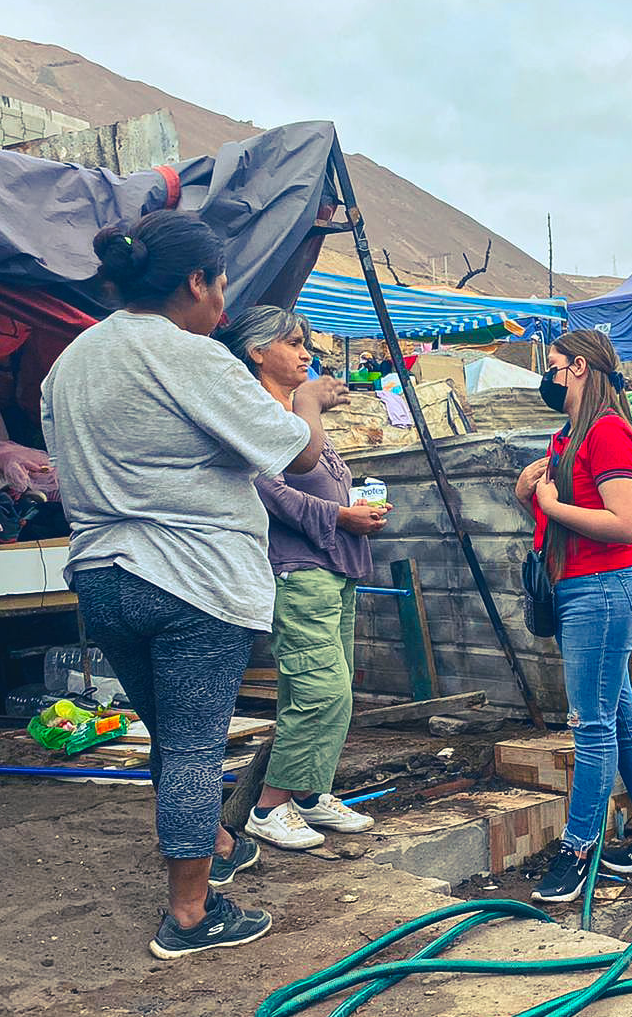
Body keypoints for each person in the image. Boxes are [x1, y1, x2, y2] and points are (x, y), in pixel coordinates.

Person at [41, 211, 345, 960]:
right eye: (221, 283)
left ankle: (212, 840)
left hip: (103, 576)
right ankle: (190, 914)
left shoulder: (72, 361)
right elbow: (297, 458)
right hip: (189, 579)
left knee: (173, 739)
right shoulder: (188, 353)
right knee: (193, 749)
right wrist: (308, 404)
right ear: (194, 282)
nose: (223, 299)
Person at [514, 329, 632, 904]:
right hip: (584, 590)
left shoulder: (609, 432)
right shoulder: (571, 436)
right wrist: (532, 491)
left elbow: (625, 524)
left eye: (556, 365)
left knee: (591, 726)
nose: (550, 375)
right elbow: (566, 506)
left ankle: (577, 849)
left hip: (603, 592)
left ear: (580, 368)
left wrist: (552, 504)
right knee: (622, 720)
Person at [219, 306, 386, 850]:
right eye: (293, 343)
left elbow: (318, 474)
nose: (306, 353)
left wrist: (357, 508)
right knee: (321, 690)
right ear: (257, 352)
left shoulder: (289, 412)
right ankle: (270, 807)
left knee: (323, 687)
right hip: (298, 571)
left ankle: (310, 793)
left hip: (333, 567)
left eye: (305, 343)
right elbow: (269, 490)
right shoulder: (256, 415)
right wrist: (340, 517)